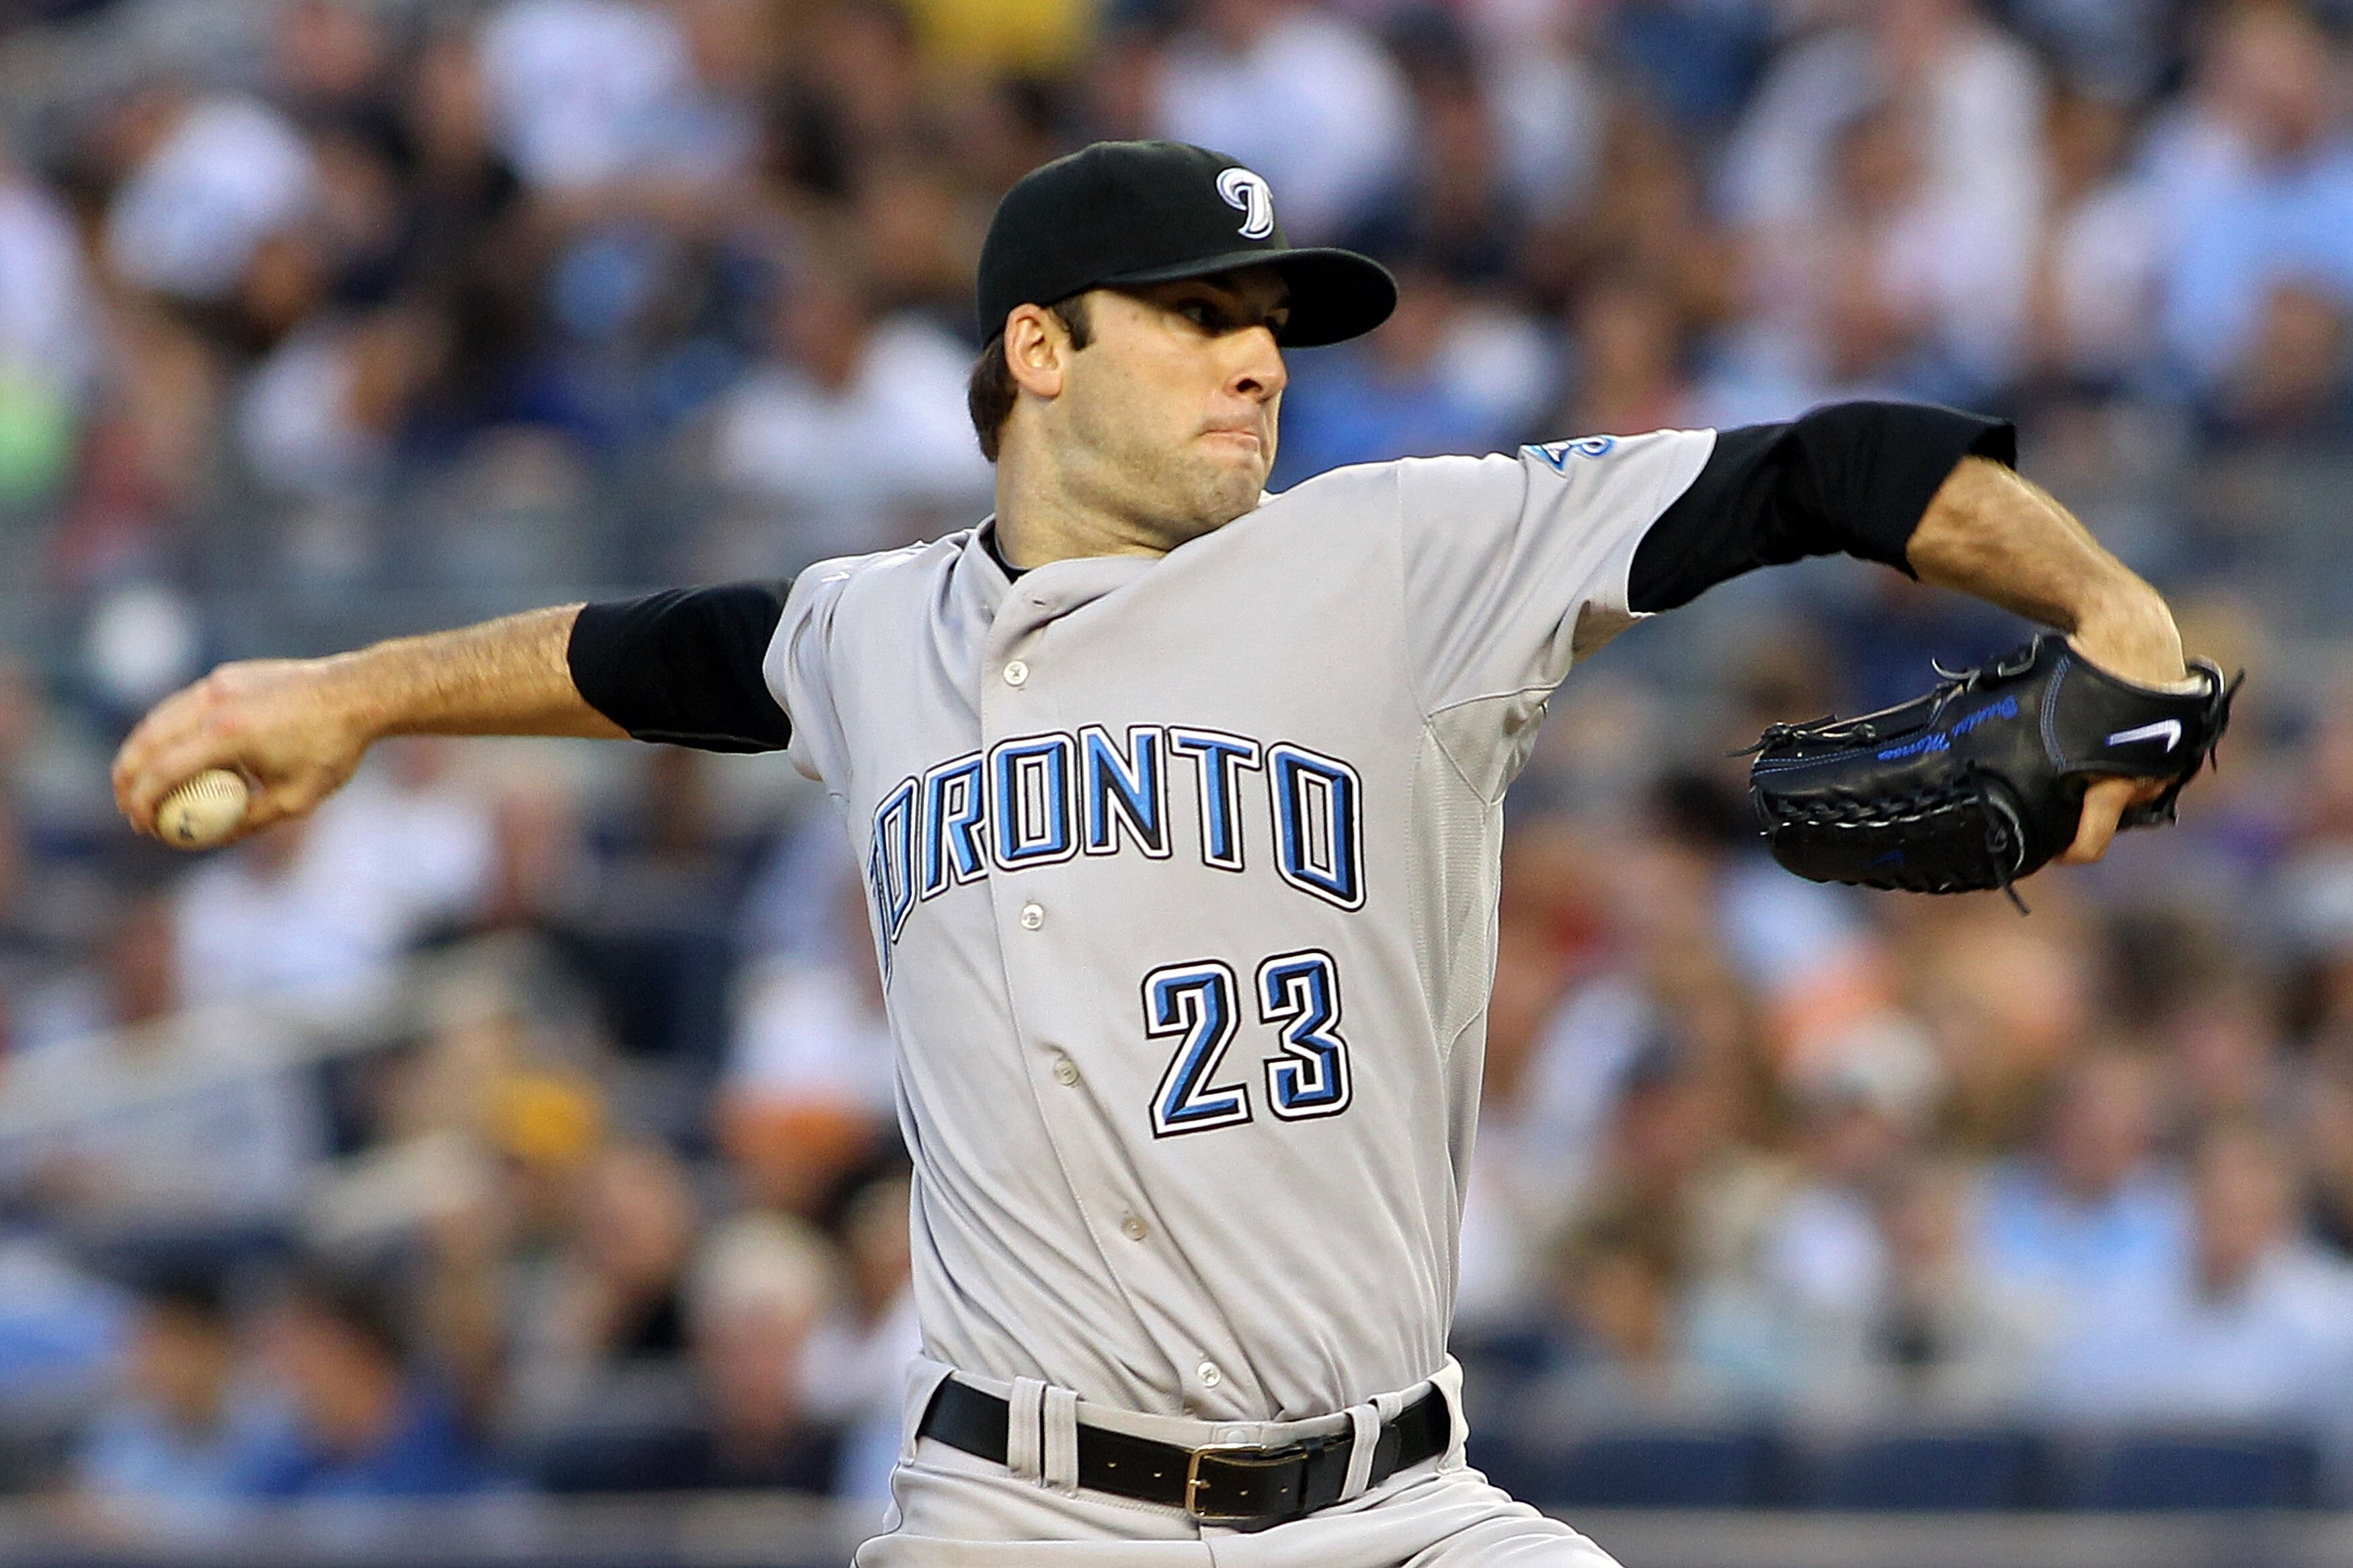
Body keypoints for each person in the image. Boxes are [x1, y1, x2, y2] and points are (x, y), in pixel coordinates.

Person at [114, 140, 2198, 1564]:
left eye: (1272, 317)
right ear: (1038, 349)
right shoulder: (870, 632)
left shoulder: (1400, 556)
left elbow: (1825, 468)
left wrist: (2109, 613)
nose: (1260, 352)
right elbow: (630, 655)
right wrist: (356, 689)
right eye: (1198, 312)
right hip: (1027, 1518)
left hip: (1395, 1507)